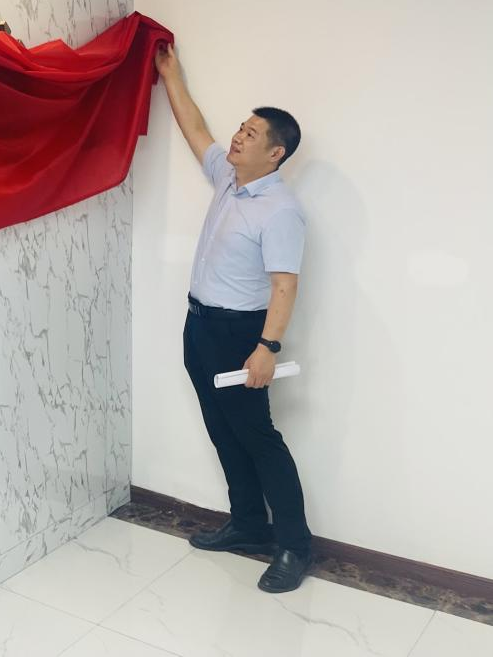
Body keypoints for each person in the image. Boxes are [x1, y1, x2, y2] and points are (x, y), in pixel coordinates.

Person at [155, 42, 314, 593]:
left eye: (251, 134)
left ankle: (294, 546)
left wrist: (267, 348)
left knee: (258, 437)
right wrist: (172, 76)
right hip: (200, 325)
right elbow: (196, 128)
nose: (238, 137)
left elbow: (285, 284)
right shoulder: (228, 177)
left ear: (275, 153)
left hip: (240, 334)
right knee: (222, 430)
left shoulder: (281, 210)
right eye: (241, 128)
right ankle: (248, 524)